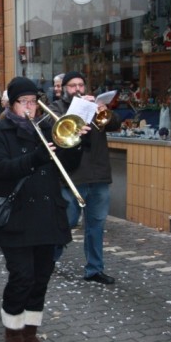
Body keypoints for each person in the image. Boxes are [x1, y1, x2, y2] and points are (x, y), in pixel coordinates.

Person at [0, 77, 84, 342]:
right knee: (22, 276)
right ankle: (13, 333)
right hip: (16, 217)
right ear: (11, 104)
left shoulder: (48, 128)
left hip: (47, 214)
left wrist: (77, 142)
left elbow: (68, 166)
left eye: (34, 102)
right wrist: (36, 157)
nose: (30, 107)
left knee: (41, 277)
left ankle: (30, 331)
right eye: (24, 102)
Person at [51, 71, 121, 284]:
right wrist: (80, 110)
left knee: (96, 225)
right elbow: (54, 132)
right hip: (72, 177)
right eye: (72, 86)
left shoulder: (95, 106)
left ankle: (94, 269)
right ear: (64, 89)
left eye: (81, 85)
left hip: (98, 175)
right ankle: (48, 260)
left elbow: (115, 124)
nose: (77, 89)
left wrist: (103, 109)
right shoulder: (57, 108)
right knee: (67, 222)